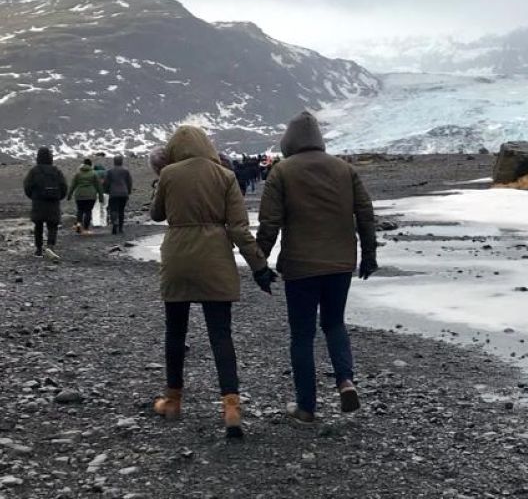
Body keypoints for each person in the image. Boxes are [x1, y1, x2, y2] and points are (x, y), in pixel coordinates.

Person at [149, 125, 278, 438]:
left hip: (177, 258)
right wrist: (260, 267)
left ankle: (173, 400)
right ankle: (231, 406)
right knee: (221, 334)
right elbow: (238, 229)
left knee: (175, 332)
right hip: (215, 259)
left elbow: (156, 214)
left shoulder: (169, 175)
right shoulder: (225, 176)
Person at [257, 111, 377, 424]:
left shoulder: (282, 172)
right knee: (335, 323)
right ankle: (345, 380)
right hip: (340, 263)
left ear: (290, 141)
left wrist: (260, 264)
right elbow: (365, 213)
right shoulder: (344, 169)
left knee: (302, 335)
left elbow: (269, 223)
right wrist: (369, 255)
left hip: (301, 266)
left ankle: (306, 407)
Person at [23, 147, 68, 260]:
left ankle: (38, 250)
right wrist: (58, 197)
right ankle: (50, 247)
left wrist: (33, 196)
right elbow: (64, 186)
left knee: (38, 226)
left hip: (38, 202)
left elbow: (27, 186)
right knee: (52, 225)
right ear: (50, 157)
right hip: (53, 202)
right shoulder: (56, 171)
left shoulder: (34, 171)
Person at [67, 158, 104, 233]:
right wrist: (101, 197)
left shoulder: (78, 174)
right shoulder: (94, 173)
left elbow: (73, 185)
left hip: (79, 195)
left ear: (83, 164)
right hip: (91, 196)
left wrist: (69, 195)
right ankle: (86, 229)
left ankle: (78, 224)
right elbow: (99, 186)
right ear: (91, 165)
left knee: (80, 210)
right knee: (88, 211)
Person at [103, 155, 134, 235]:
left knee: (113, 209)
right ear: (121, 161)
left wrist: (106, 191)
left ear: (114, 161)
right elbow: (129, 182)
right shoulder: (126, 171)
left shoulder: (110, 171)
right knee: (121, 210)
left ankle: (115, 223)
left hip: (113, 193)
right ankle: (120, 228)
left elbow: (106, 183)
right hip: (124, 193)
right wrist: (128, 191)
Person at [92, 156, 108, 226]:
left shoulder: (93, 173)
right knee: (104, 208)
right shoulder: (107, 173)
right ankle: (104, 223)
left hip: (96, 193)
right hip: (106, 193)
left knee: (96, 207)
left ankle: (96, 223)